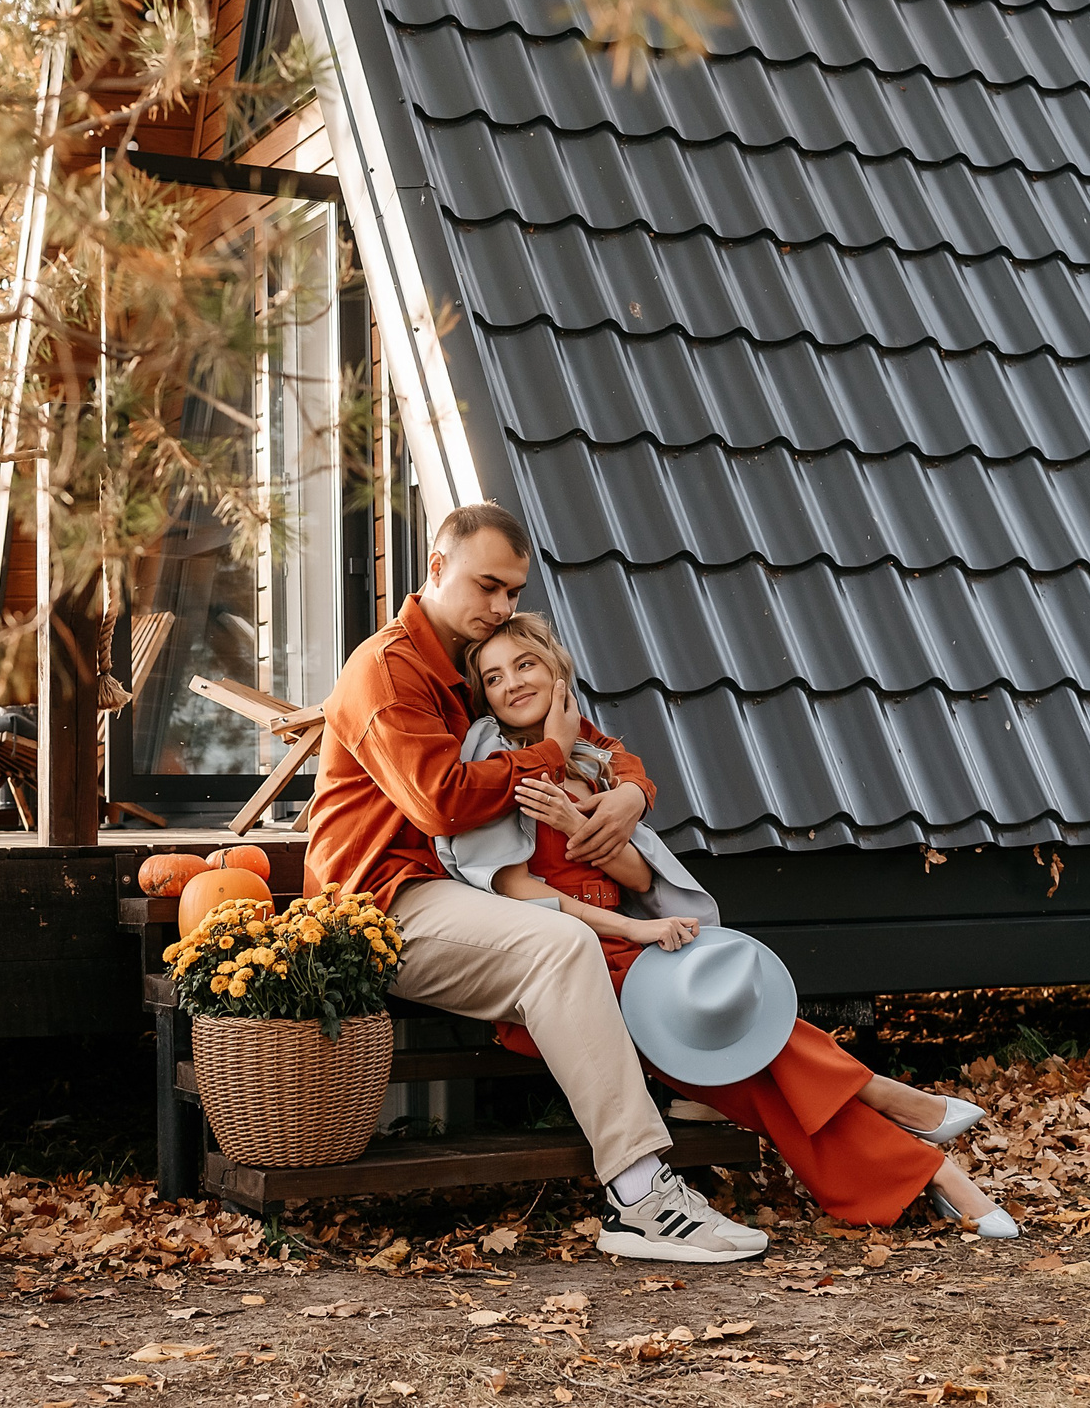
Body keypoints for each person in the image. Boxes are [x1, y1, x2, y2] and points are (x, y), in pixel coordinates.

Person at [454, 610, 1017, 1238]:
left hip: (631, 948)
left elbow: (640, 881)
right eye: (494, 676)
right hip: (567, 961)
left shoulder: (595, 757)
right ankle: (892, 1108)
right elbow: (514, 888)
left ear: (557, 667)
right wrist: (633, 931)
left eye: (524, 664)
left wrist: (576, 826)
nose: (511, 684)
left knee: (744, 1041)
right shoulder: (493, 758)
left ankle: (925, 1168)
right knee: (738, 1034)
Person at [306, 502, 766, 1262]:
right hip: (381, 901)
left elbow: (595, 741)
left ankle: (658, 1173)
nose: (501, 607)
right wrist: (548, 758)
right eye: (487, 585)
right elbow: (441, 797)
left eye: (514, 592)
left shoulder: (468, 663)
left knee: (586, 942)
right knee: (560, 944)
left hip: (460, 891)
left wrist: (631, 789)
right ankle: (640, 1193)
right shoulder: (388, 667)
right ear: (436, 568)